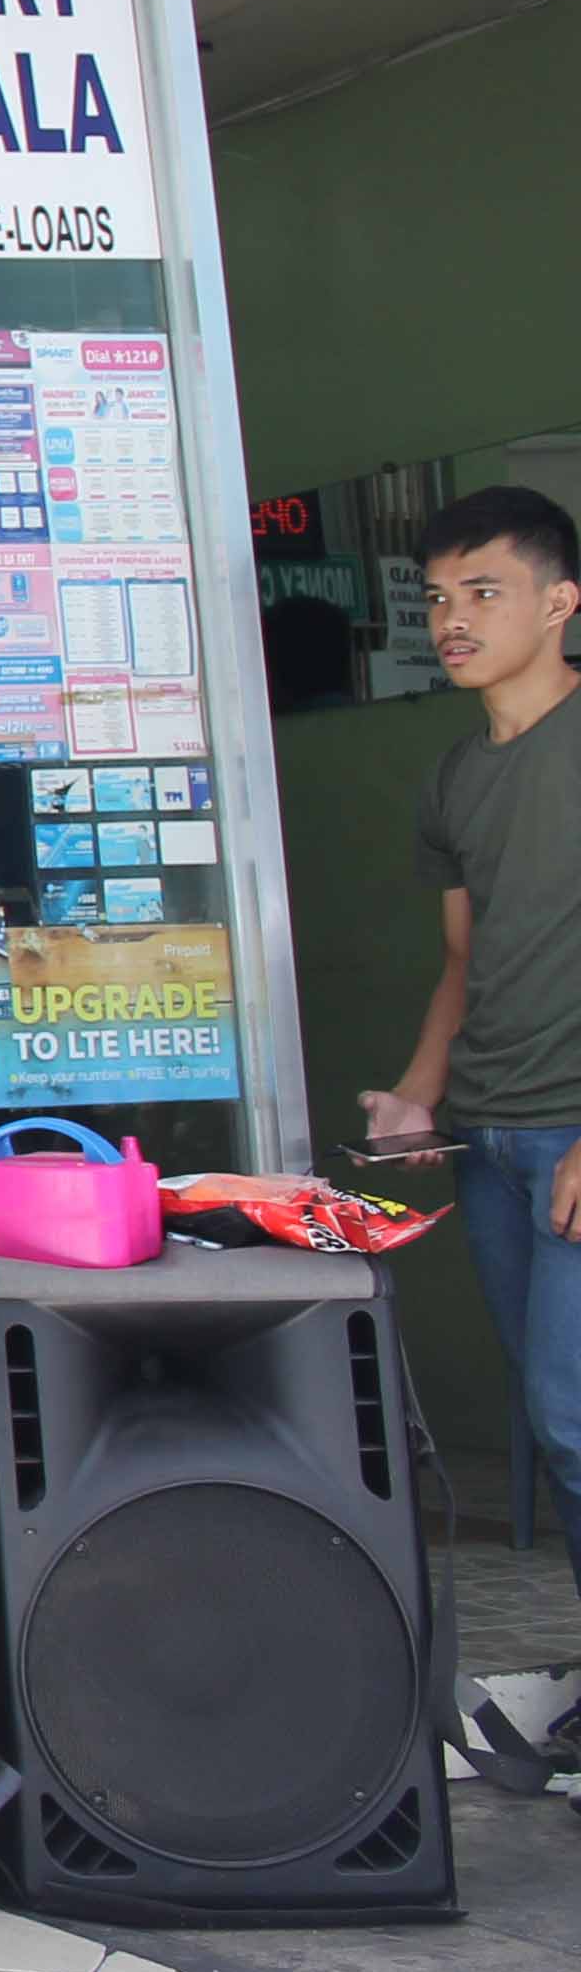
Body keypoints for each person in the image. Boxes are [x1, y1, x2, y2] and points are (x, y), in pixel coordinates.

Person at [359, 484, 581, 1612]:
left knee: (571, 1412)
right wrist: (416, 1096)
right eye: (440, 597)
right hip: (491, 1137)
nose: (453, 619)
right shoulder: (455, 777)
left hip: (573, 1133)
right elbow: (464, 960)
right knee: (559, 1421)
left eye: (485, 593)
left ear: (561, 603)